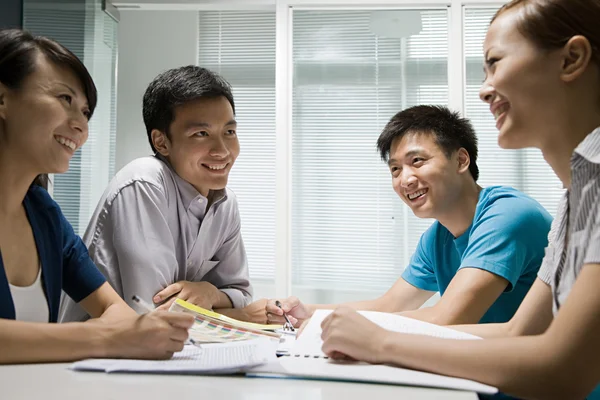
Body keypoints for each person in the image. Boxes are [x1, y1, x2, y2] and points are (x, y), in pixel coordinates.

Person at [319, 0, 600, 398]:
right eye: (395, 168)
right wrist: (323, 321)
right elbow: (520, 331)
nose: (485, 89)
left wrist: (382, 344)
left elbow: (564, 369)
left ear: (571, 59)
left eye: (496, 63)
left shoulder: (518, 210)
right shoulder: (576, 197)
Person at [0, 28, 194, 364]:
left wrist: (143, 331)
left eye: (86, 112)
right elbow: (109, 329)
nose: (81, 125)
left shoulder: (43, 215)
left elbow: (114, 311)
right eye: (65, 99)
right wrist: (103, 336)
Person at [267, 105, 552, 327]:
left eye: (417, 161)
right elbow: (389, 306)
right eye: (395, 169)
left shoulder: (508, 214)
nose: (405, 179)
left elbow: (448, 318)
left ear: (461, 160)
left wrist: (342, 328)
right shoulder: (438, 237)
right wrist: (309, 314)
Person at [59, 66, 264, 323]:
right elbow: (157, 311)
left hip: (169, 351)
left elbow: (241, 291)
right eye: (201, 134)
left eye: (229, 132)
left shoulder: (224, 203)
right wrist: (242, 315)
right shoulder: (144, 182)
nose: (222, 150)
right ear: (161, 142)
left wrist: (210, 292)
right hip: (95, 355)